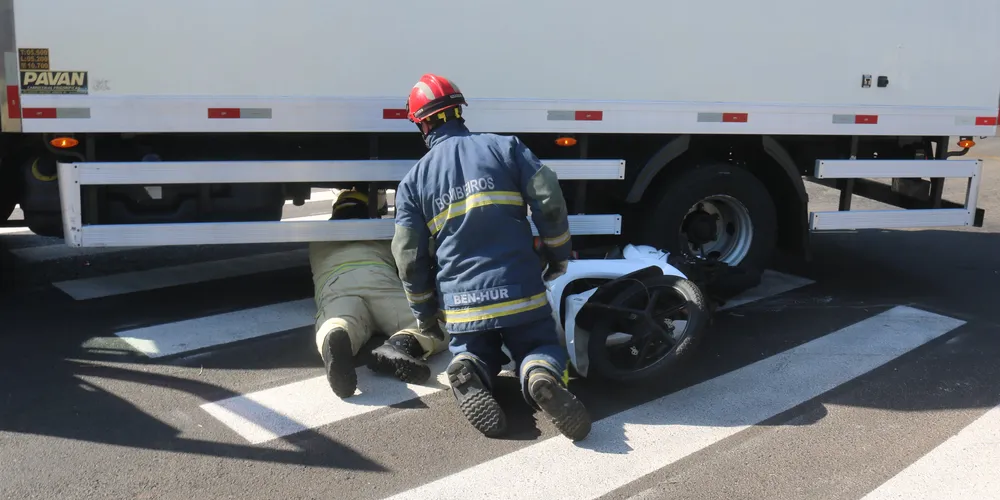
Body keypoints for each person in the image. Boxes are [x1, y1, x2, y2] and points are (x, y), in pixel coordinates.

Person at [390, 73, 592, 441]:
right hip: (519, 287)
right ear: (459, 111)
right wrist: (558, 254)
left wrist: (424, 315)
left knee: (471, 348)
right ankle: (539, 375)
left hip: (462, 303)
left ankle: (468, 367)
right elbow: (549, 201)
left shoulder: (413, 182)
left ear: (421, 124)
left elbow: (408, 256)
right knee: (538, 345)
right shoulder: (506, 148)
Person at [310, 189, 449, 398]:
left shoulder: (317, 241)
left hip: (336, 285)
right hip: (379, 280)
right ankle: (401, 344)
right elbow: (409, 253)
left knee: (338, 319)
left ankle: (338, 335)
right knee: (434, 327)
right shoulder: (381, 233)